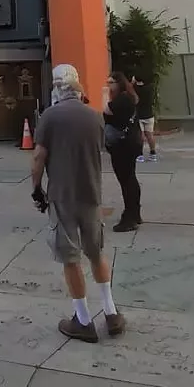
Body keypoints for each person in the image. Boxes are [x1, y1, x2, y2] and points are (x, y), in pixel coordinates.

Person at [31, 64, 125, 343]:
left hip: (63, 196)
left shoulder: (49, 117)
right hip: (91, 195)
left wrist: (36, 189)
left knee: (71, 258)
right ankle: (111, 313)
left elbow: (38, 158)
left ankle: (83, 320)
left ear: (56, 87)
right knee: (96, 253)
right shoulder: (95, 116)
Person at [103, 72, 142, 231]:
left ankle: (130, 216)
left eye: (111, 82)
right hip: (128, 143)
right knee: (130, 178)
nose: (109, 85)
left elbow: (106, 110)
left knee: (126, 180)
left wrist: (104, 93)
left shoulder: (123, 98)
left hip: (123, 145)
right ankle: (135, 212)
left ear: (119, 83)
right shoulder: (127, 97)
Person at [133, 75, 157, 162]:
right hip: (149, 115)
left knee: (140, 135)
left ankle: (140, 155)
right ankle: (153, 153)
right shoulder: (150, 88)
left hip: (139, 115)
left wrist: (133, 82)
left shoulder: (135, 89)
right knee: (150, 135)